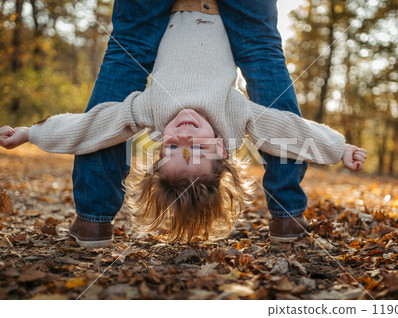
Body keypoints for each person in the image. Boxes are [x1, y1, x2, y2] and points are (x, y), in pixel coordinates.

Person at [0, 6, 367, 245]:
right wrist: (339, 148)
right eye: (199, 149)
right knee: (261, 50)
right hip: (222, 13)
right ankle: (287, 217)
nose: (185, 136)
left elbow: (91, 128)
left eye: (173, 148)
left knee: (126, 45)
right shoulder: (235, 116)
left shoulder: (150, 112)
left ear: (160, 148)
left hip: (172, 11)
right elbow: (289, 132)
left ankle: (94, 219)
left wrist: (31, 133)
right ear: (222, 149)